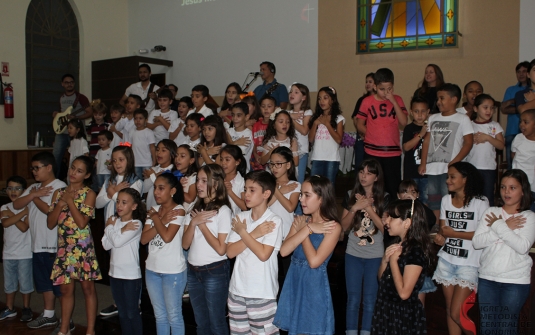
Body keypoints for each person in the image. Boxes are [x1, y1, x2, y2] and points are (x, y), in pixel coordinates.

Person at [273, 175, 340, 335]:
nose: (301, 199)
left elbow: (314, 262)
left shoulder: (332, 226)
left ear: (322, 199)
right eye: (301, 194)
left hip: (313, 288)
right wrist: (308, 229)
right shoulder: (302, 221)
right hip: (295, 283)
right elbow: (284, 251)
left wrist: (305, 231)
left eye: (307, 195)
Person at [473, 169, 535, 335]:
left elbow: (522, 246)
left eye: (512, 188)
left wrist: (498, 226)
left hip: (515, 281)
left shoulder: (529, 217)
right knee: (487, 327)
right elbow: (477, 242)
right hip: (487, 278)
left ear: (523, 191)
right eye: (503, 187)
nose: (507, 191)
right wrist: (505, 226)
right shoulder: (491, 212)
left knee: (506, 328)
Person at [432, 162, 489, 335]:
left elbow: (483, 236)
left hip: (469, 263)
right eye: (448, 177)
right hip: (447, 260)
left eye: (452, 177)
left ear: (465, 179)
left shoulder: (480, 202)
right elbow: (443, 230)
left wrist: (455, 234)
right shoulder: (445, 200)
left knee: (457, 312)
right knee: (450, 310)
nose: (447, 180)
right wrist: (441, 237)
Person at [47, 156, 101, 335]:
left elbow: (82, 223)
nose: (73, 173)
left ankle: (90, 330)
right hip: (65, 248)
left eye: (79, 171)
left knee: (87, 288)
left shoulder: (89, 194)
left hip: (83, 248)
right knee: (65, 289)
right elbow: (50, 223)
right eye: (72, 168)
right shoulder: (58, 192)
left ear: (86, 175)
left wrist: (69, 202)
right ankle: (64, 329)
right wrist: (60, 203)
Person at [13, 152, 67, 330]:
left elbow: (53, 212)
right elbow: (16, 204)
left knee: (60, 287)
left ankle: (67, 320)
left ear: (49, 167)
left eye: (37, 168)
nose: (34, 172)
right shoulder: (33, 188)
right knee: (44, 283)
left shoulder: (59, 186)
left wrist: (35, 197)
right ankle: (49, 314)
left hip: (54, 245)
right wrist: (32, 195)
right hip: (37, 245)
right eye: (33, 168)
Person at [226, 170, 284, 335]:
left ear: (266, 193)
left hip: (261, 292)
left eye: (252, 190)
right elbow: (230, 252)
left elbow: (263, 254)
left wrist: (243, 233)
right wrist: (254, 234)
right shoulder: (241, 217)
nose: (246, 194)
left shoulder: (274, 221)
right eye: (245, 189)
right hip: (237, 290)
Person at [181, 164, 233, 335]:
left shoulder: (223, 211)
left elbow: (221, 249)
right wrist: (194, 223)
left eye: (204, 181)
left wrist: (201, 226)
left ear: (216, 184)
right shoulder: (193, 209)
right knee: (201, 322)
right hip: (193, 271)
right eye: (198, 180)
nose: (199, 185)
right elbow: (185, 244)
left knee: (216, 322)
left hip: (214, 270)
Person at [340, 158, 389, 335]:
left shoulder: (385, 198)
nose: (364, 176)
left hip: (375, 256)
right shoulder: (349, 195)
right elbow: (343, 228)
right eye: (361, 172)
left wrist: (368, 209)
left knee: (370, 300)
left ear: (376, 177)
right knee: (353, 299)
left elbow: (387, 230)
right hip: (352, 253)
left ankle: (367, 332)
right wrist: (355, 208)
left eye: (369, 173)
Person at [371, 199, 435, 334]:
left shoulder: (416, 251)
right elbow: (382, 280)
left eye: (392, 218)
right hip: (387, 310)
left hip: (402, 316)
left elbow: (404, 293)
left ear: (406, 223)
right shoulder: (398, 245)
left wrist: (393, 262)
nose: (386, 221)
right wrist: (384, 261)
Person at [96, 144, 142, 317]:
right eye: (114, 160)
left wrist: (113, 194)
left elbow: (131, 203)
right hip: (111, 229)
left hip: (127, 230)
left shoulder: (135, 181)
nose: (117, 163)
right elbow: (98, 204)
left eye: (121, 159)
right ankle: (118, 301)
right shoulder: (110, 181)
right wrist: (110, 193)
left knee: (128, 265)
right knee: (113, 265)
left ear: (129, 160)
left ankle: (134, 302)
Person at [419, 83, 474, 222]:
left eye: (442, 98)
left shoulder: (462, 119)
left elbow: (468, 142)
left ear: (454, 99)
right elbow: (426, 141)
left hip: (449, 167)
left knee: (448, 196)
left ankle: (449, 224)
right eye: (438, 99)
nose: (438, 102)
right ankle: (437, 224)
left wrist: (456, 161)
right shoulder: (432, 118)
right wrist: (423, 162)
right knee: (433, 198)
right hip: (432, 167)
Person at [140, 173, 187, 335]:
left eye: (161, 188)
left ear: (172, 190)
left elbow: (167, 237)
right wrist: (160, 219)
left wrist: (157, 218)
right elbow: (144, 239)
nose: (156, 192)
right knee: (159, 316)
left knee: (174, 316)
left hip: (172, 271)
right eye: (155, 188)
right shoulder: (154, 211)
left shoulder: (179, 210)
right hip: (152, 269)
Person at [356, 68, 408, 197]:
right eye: (382, 89)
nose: (386, 93)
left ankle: (392, 215)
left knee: (392, 186)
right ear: (374, 86)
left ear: (393, 86)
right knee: (371, 188)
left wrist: (393, 101)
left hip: (392, 153)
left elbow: (404, 122)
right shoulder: (367, 101)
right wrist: (372, 134)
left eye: (389, 89)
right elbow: (359, 124)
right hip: (372, 152)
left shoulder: (398, 100)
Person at [101, 188, 146, 335]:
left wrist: (109, 227)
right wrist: (117, 229)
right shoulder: (116, 222)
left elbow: (117, 241)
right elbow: (105, 244)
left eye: (124, 202)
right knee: (122, 313)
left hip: (130, 276)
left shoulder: (136, 224)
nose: (119, 205)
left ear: (134, 206)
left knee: (132, 312)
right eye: (118, 201)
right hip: (114, 274)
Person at [396, 179, 437, 306]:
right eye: (404, 191)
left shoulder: (421, 211)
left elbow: (431, 219)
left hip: (416, 260)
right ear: (398, 195)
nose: (408, 194)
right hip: (399, 258)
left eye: (413, 192)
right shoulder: (394, 211)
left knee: (418, 305)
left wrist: (415, 203)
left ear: (418, 195)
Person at [0, 176, 33, 322]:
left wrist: (13, 215)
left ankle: (26, 307)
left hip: (25, 252)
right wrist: (20, 214)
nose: (13, 191)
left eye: (17, 188)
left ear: (24, 191)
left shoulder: (29, 207)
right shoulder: (4, 207)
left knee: (25, 283)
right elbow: (6, 223)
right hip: (8, 253)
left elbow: (23, 227)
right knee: (9, 283)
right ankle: (10, 308)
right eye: (10, 188)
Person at [52, 74, 93, 180]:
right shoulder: (61, 97)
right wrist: (57, 115)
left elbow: (89, 112)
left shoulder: (81, 97)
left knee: (78, 158)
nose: (69, 84)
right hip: (62, 132)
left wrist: (76, 117)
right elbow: (63, 114)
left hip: (76, 133)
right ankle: (53, 181)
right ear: (62, 84)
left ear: (74, 83)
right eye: (66, 82)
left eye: (71, 82)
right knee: (55, 157)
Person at [466, 94, 504, 206]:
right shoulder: (469, 125)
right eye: (485, 107)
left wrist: (488, 137)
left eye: (492, 108)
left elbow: (501, 145)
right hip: (472, 167)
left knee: (487, 197)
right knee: (472, 196)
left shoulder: (495, 126)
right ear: (475, 108)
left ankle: (488, 221)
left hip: (488, 168)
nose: (489, 111)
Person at [309, 87, 345, 186]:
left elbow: (338, 139)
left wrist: (327, 124)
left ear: (332, 100)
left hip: (332, 159)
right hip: (317, 157)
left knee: (328, 186)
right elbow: (310, 139)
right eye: (319, 98)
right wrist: (315, 124)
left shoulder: (339, 118)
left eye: (325, 98)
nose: (322, 101)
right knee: (315, 186)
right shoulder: (316, 118)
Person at [500, 61, 530, 169]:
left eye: (524, 71)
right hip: (512, 131)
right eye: (518, 72)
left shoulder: (531, 90)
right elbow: (504, 108)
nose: (521, 74)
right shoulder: (511, 89)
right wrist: (520, 104)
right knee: (511, 164)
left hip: (530, 132)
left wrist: (517, 106)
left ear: (529, 73)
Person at [268, 147, 300, 238]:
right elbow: (263, 206)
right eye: (272, 164)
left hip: (286, 232)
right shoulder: (267, 185)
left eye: (278, 164)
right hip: (269, 231)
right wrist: (280, 191)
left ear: (288, 165)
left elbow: (290, 207)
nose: (274, 168)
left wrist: (276, 191)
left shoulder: (294, 185)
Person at [402, 97, 430, 204]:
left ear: (428, 112)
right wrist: (421, 134)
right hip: (411, 172)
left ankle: (424, 220)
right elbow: (406, 147)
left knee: (426, 199)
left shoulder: (431, 128)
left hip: (427, 173)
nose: (419, 115)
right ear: (411, 112)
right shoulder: (409, 129)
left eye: (423, 111)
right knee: (410, 199)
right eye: (416, 111)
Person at [288, 83, 313, 185]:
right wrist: (289, 115)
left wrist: (290, 119)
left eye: (296, 92)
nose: (292, 94)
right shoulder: (288, 112)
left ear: (303, 97)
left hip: (301, 151)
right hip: (288, 150)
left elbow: (304, 131)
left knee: (299, 181)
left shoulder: (307, 112)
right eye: (290, 91)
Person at [143, 139, 178, 209]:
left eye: (163, 150)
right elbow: (144, 189)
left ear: (172, 154)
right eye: (157, 149)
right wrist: (154, 175)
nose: (159, 153)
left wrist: (152, 175)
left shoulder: (173, 171)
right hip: (151, 207)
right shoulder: (154, 169)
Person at [512, 109, 535, 211]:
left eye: (526, 122)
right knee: (518, 209)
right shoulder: (518, 138)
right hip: (518, 182)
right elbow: (513, 155)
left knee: (530, 210)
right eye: (520, 121)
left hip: (532, 185)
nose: (522, 125)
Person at [352, 73, 375, 171]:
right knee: (360, 164)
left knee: (373, 165)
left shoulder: (381, 100)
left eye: (370, 82)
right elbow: (355, 118)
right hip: (362, 137)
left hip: (375, 137)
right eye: (366, 82)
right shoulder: (362, 100)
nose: (367, 84)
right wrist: (362, 132)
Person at [129, 108, 157, 180]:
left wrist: (154, 160)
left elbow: (152, 147)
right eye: (136, 118)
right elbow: (130, 147)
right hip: (135, 162)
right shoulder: (132, 132)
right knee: (137, 181)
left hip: (146, 162)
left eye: (140, 118)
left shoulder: (149, 132)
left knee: (148, 181)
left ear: (146, 120)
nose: (138, 121)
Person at [226, 102, 254, 172]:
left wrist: (230, 143)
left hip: (242, 171)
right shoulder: (229, 131)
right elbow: (223, 150)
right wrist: (236, 142)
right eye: (233, 115)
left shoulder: (248, 134)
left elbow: (236, 153)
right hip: (228, 170)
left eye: (239, 116)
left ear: (247, 117)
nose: (235, 118)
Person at [219, 145, 247, 214]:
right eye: (221, 159)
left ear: (237, 162)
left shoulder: (242, 182)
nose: (223, 163)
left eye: (227, 160)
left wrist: (230, 192)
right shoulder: (217, 178)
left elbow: (245, 206)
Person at [251, 96, 276, 171]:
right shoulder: (256, 125)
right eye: (263, 106)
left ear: (275, 108)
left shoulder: (276, 125)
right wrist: (255, 154)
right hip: (258, 158)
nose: (266, 109)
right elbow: (254, 142)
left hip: (270, 157)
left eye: (269, 106)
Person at [175, 144, 198, 213]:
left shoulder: (194, 176)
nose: (177, 159)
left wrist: (177, 188)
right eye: (176, 155)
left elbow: (190, 198)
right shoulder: (174, 174)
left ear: (191, 160)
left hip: (187, 213)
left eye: (182, 156)